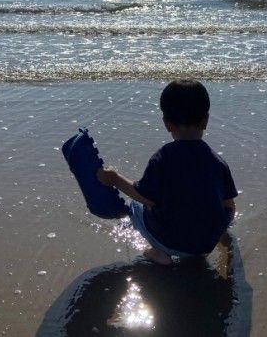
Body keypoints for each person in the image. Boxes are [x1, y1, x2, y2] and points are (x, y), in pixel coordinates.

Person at [97, 80, 237, 265]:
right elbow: (230, 206)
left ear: (167, 124)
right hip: (205, 244)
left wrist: (114, 179)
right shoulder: (218, 162)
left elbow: (144, 197)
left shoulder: (162, 158)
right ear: (205, 121)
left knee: (135, 207)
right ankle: (196, 251)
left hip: (170, 240)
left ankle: (160, 253)